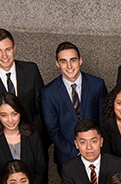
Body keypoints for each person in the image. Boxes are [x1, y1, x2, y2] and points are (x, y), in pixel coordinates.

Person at [0, 29, 46, 147]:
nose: (4, 56)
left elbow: (41, 107)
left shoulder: (31, 70)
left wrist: (41, 138)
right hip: (4, 145)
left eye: (8, 49)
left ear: (14, 48)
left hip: (35, 141)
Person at [42, 42, 108, 170]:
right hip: (67, 157)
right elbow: (53, 130)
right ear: (57, 63)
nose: (69, 66)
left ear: (80, 60)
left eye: (73, 60)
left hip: (96, 154)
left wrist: (95, 148)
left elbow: (103, 120)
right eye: (63, 61)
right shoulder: (48, 92)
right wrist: (76, 152)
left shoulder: (97, 84)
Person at [0, 92, 48, 184]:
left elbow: (41, 170)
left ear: (20, 113)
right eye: (4, 115)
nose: (10, 120)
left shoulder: (33, 135)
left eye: (14, 114)